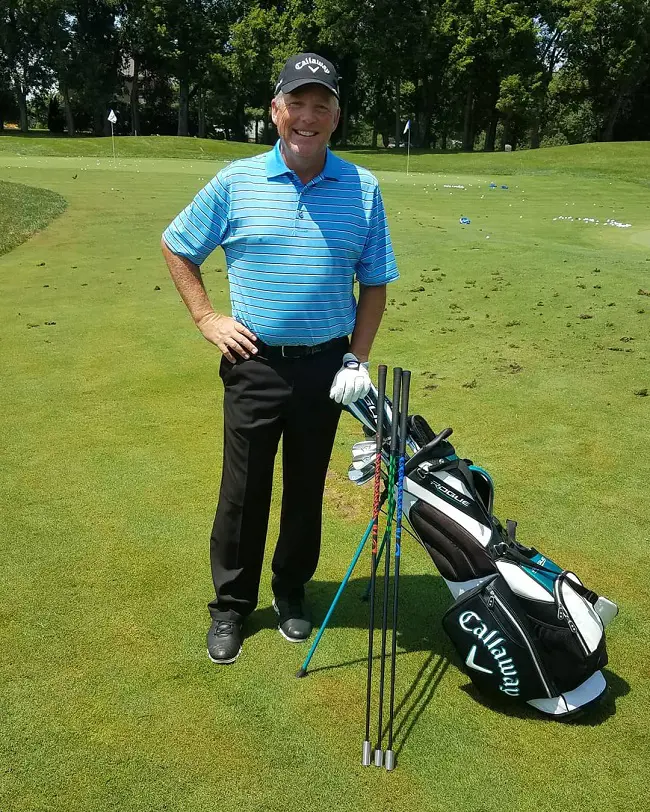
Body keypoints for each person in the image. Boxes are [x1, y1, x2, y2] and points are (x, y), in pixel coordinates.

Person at [161, 52, 399, 664]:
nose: (308, 117)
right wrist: (207, 318)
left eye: (322, 105)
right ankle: (231, 606)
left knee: (304, 489)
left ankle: (291, 592)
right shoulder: (236, 182)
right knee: (242, 491)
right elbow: (178, 244)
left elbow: (375, 280)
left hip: (328, 367)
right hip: (255, 364)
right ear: (276, 112)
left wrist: (358, 359)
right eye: (298, 103)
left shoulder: (362, 187)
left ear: (336, 117)